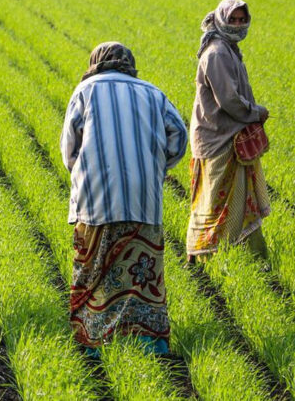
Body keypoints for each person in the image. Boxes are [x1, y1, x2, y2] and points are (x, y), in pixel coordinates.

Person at [61, 42, 187, 356]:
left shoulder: (85, 91)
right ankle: (148, 341)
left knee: (95, 269)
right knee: (140, 272)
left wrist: (83, 171)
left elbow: (68, 150)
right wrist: (156, 166)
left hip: (96, 199)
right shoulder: (152, 93)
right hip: (143, 198)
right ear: (128, 63)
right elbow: (180, 136)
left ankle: (92, 341)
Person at [186, 0, 270, 263]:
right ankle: (203, 255)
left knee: (237, 200)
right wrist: (256, 112)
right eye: (232, 19)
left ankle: (247, 256)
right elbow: (229, 101)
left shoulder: (228, 47)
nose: (237, 24)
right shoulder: (218, 53)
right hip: (218, 139)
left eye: (241, 19)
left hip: (227, 136)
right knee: (214, 202)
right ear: (221, 18)